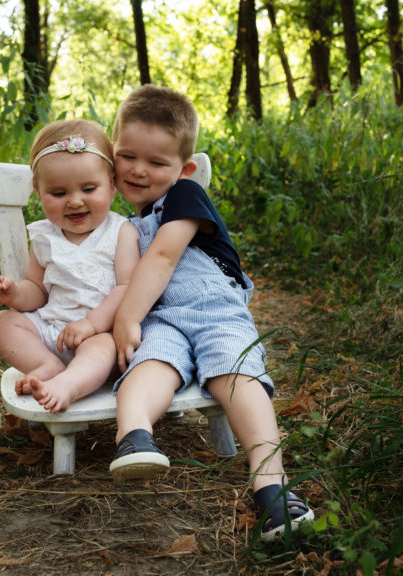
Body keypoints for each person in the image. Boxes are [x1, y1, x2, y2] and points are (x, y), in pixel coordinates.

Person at [109, 84, 314, 542]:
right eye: (128, 156)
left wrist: (125, 317)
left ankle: (271, 485)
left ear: (183, 169)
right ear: (112, 152)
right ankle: (136, 437)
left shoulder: (185, 196)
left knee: (233, 371)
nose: (139, 170)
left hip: (213, 307)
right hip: (163, 316)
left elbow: (162, 258)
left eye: (156, 162)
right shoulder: (123, 222)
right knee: (151, 362)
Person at [0, 119, 139, 414]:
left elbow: (128, 287)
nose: (74, 201)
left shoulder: (121, 231)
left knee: (101, 348)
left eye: (88, 188)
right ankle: (45, 364)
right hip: (51, 331)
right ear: (39, 191)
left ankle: (69, 385)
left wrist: (90, 324)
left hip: (101, 333)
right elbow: (37, 291)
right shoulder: (44, 235)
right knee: (1, 322)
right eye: (59, 194)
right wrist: (13, 294)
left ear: (111, 184)